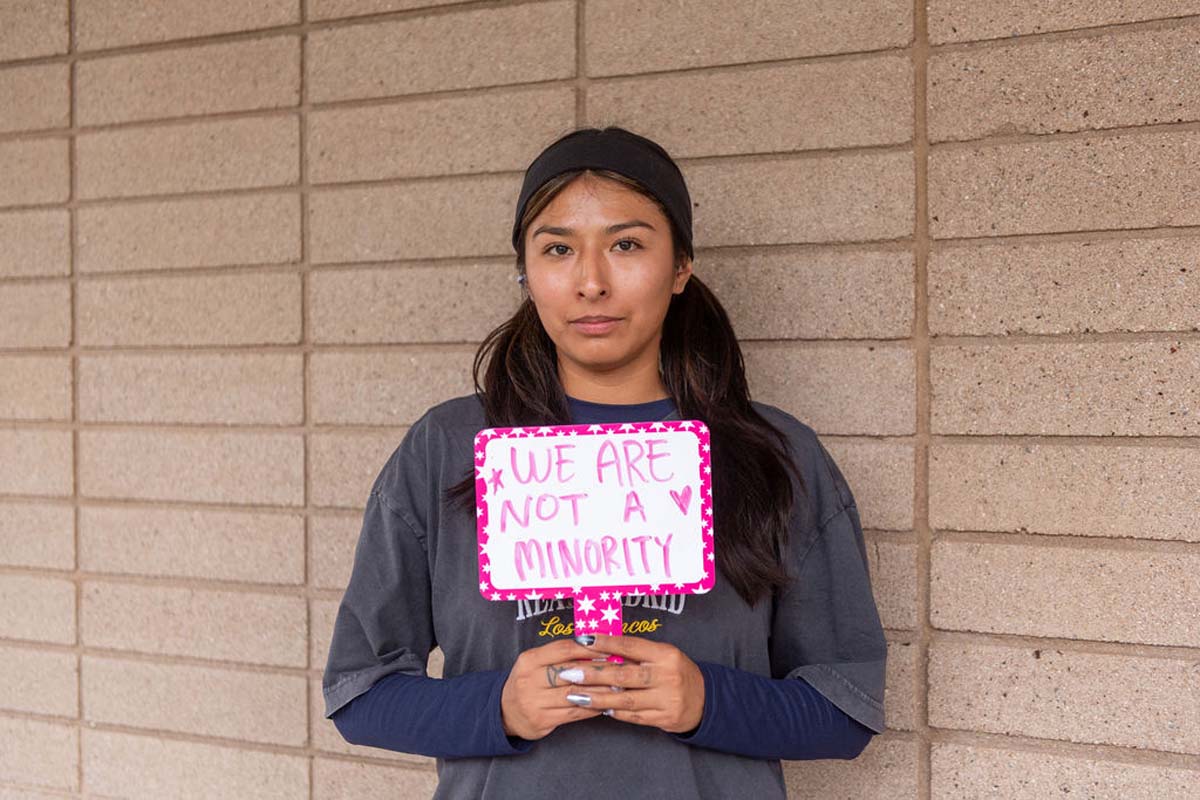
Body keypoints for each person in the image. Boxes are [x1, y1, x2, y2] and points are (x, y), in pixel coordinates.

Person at [322, 126, 888, 799]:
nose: (591, 281)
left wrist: (708, 700)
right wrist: (498, 707)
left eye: (627, 244)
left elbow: (846, 708)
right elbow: (359, 692)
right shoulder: (447, 447)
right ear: (525, 273)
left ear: (680, 266)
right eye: (558, 248)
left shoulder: (777, 455)